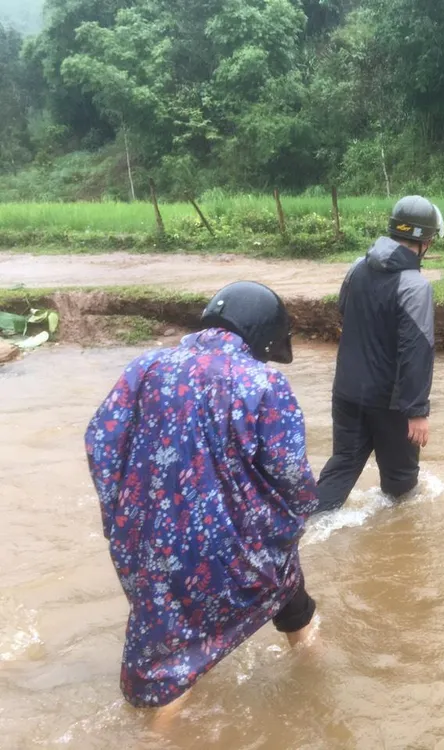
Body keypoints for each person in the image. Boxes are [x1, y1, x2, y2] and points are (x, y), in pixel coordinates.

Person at [84, 281, 319, 718]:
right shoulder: (262, 381)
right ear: (261, 334)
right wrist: (297, 512)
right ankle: (314, 680)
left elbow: (101, 440)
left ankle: (309, 662)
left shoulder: (146, 366)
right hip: (233, 544)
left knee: (175, 642)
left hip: (153, 542)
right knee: (274, 584)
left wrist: (126, 514)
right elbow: (288, 470)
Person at [315, 195, 443, 513]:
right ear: (425, 241)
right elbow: (417, 351)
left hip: (345, 391)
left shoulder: (357, 266)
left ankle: (303, 526)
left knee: (342, 466)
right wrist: (417, 411)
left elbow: (344, 309)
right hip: (391, 402)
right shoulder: (415, 286)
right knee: (401, 488)